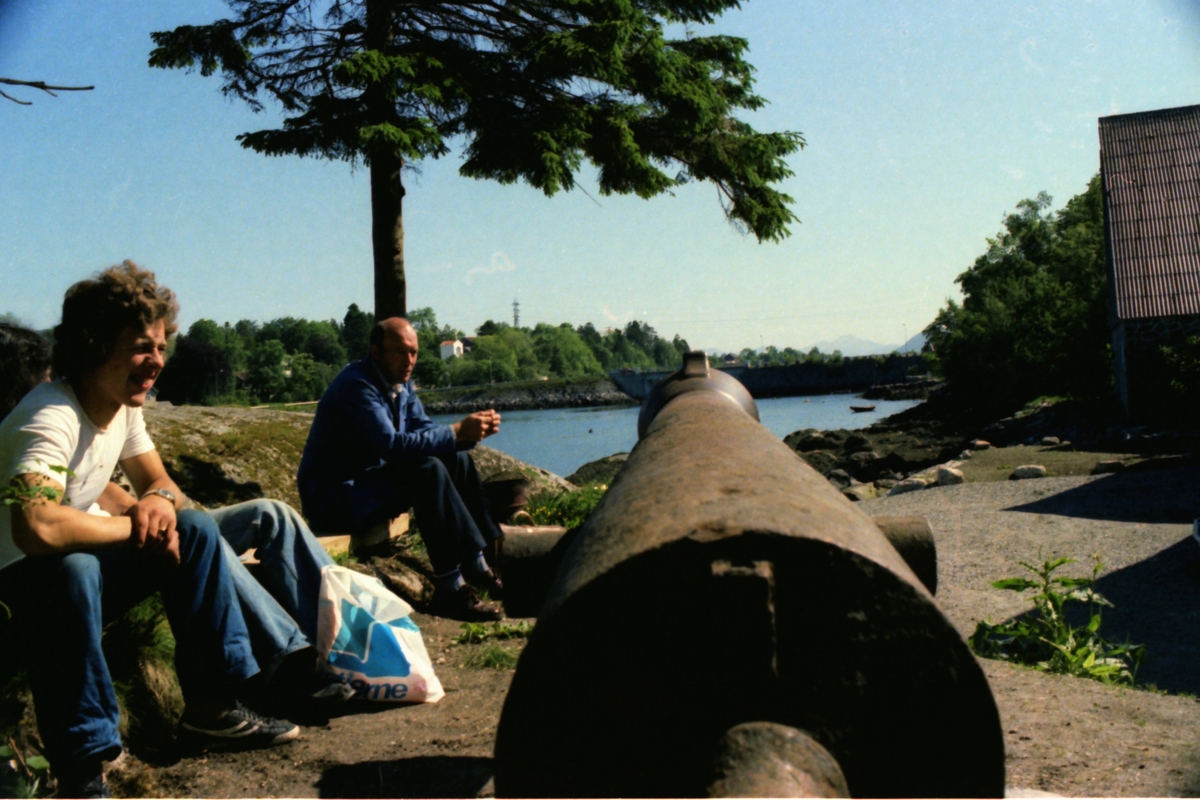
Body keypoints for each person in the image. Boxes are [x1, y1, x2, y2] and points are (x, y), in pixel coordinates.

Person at [0, 264, 298, 798]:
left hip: (61, 587)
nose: (156, 361)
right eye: (142, 347)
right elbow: (35, 526)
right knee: (73, 567)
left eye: (161, 347)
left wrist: (158, 504)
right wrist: (136, 529)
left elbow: (157, 480)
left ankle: (212, 705)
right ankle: (83, 770)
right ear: (94, 346)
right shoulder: (49, 417)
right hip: (10, 593)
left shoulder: (120, 407)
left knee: (196, 529)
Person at [0, 323, 353, 717]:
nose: (56, 382)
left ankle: (350, 643)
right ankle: (287, 666)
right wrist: (148, 525)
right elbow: (41, 523)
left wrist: (157, 502)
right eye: (46, 377)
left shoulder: (103, 412)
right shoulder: (38, 428)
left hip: (118, 535)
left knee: (270, 514)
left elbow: (115, 489)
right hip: (87, 557)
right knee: (196, 534)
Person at [298, 317, 505, 620]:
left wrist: (468, 435)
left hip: (369, 489)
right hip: (336, 500)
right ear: (376, 351)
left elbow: (424, 431)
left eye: (414, 353)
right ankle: (452, 588)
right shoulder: (356, 385)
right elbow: (392, 446)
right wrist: (456, 431)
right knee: (427, 470)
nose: (409, 361)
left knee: (455, 457)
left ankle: (481, 563)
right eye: (400, 352)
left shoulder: (401, 383)